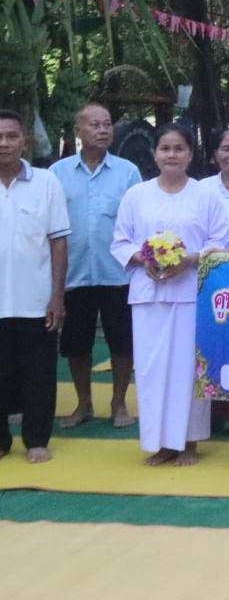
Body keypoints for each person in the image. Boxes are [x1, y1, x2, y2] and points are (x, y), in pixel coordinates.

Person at [110, 123, 228, 466]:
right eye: (165, 148)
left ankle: (189, 441)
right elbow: (120, 241)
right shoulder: (137, 195)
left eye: (179, 148)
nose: (171, 155)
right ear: (155, 154)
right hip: (149, 294)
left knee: (188, 370)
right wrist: (144, 258)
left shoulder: (205, 195)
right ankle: (161, 442)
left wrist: (189, 259)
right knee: (151, 369)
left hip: (191, 293)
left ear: (191, 154)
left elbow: (217, 243)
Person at [54, 103, 141, 430]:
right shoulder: (57, 173)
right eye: (95, 125)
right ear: (78, 131)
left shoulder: (128, 171)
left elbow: (137, 221)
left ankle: (118, 402)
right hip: (74, 274)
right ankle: (83, 403)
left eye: (107, 124)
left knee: (122, 342)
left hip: (118, 274)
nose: (103, 130)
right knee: (76, 344)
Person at [0, 110, 69, 463]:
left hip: (37, 298)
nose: (4, 143)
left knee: (39, 374)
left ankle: (37, 440)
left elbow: (58, 242)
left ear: (24, 140)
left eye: (11, 136)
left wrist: (57, 296)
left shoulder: (46, 183)